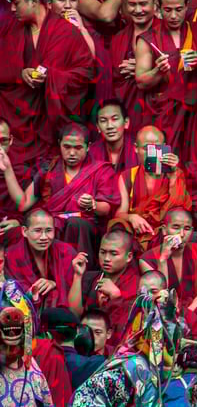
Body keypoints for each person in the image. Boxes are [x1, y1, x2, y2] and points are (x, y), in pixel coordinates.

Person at [1, 123, 120, 269]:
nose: (71, 153)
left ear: (88, 147)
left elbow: (106, 208)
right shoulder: (49, 168)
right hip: (52, 226)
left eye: (78, 148)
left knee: (75, 224)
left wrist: (94, 204)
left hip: (83, 228)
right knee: (27, 233)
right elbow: (23, 203)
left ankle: (79, 275)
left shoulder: (100, 171)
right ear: (60, 144)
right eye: (67, 147)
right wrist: (7, 169)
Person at [1, 0, 93, 160]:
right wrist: (20, 73)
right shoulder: (11, 29)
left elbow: (86, 72)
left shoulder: (65, 31)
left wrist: (53, 77)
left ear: (34, 1)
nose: (12, 8)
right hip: (19, 123)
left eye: (16, 3)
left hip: (50, 122)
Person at [134, 0, 197, 156]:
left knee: (190, 159)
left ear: (187, 7)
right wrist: (157, 70)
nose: (173, 16)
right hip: (162, 114)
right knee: (159, 161)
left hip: (194, 114)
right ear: (158, 9)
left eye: (179, 9)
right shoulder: (148, 39)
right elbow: (140, 81)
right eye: (167, 10)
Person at [112, 126, 191, 250]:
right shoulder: (128, 176)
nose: (152, 153)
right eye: (146, 148)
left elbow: (179, 212)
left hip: (165, 233)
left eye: (156, 148)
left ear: (164, 148)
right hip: (138, 232)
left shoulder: (176, 174)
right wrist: (131, 217)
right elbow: (120, 212)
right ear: (136, 148)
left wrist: (173, 176)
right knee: (117, 226)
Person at [139, 208, 197, 339]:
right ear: (164, 229)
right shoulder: (147, 259)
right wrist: (163, 260)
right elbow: (161, 295)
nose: (181, 234)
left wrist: (188, 313)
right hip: (166, 311)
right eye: (176, 227)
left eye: (187, 228)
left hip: (194, 309)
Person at [68, 230, 140, 347]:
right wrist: (78, 276)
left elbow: (130, 327)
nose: (106, 258)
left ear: (129, 257)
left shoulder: (136, 284)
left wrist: (116, 298)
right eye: (103, 252)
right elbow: (74, 314)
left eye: (113, 253)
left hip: (117, 349)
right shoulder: (91, 278)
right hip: (85, 343)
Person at [4, 208, 77, 309]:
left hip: (60, 314)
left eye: (48, 230)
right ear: (24, 231)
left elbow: (75, 288)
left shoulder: (66, 252)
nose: (44, 237)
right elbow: (15, 290)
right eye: (38, 231)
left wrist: (55, 284)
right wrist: (35, 291)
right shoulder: (13, 255)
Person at [110, 0, 157, 128]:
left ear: (155, 4)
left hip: (158, 111)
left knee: (157, 149)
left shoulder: (166, 32)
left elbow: (176, 70)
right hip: (129, 109)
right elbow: (113, 78)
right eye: (132, 4)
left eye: (143, 4)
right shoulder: (119, 38)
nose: (138, 10)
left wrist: (143, 70)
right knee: (131, 148)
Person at [0, 119, 33, 241]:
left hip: (11, 231)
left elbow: (32, 210)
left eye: (3, 141)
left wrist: (18, 222)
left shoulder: (23, 172)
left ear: (11, 140)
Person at [89, 98, 139, 174]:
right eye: (103, 120)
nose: (109, 126)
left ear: (126, 123)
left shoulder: (140, 149)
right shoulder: (91, 152)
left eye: (115, 119)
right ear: (98, 127)